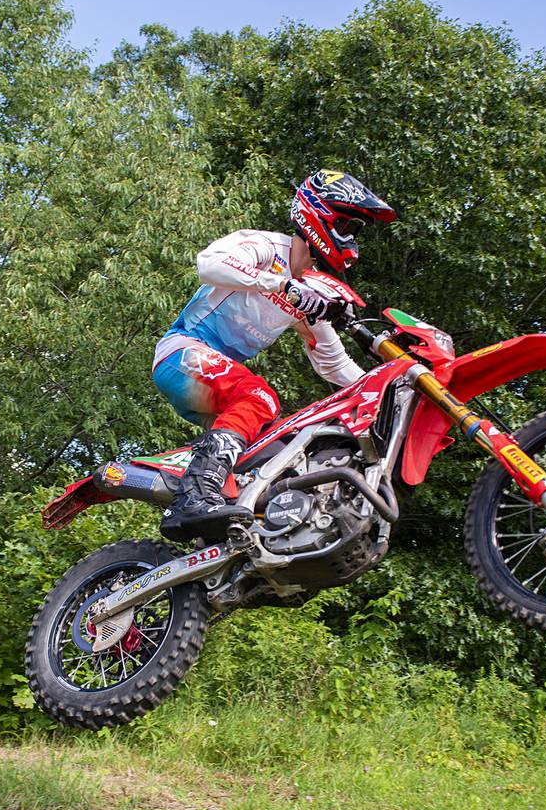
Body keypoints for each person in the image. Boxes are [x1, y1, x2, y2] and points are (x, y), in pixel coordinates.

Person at [154, 169, 397, 541]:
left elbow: (332, 362)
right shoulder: (265, 248)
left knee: (279, 445)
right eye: (347, 225)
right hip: (182, 351)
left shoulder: (310, 291)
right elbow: (209, 263)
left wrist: (384, 391)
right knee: (260, 396)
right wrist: (281, 284)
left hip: (215, 385)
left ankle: (229, 525)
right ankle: (194, 498)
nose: (350, 239)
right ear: (321, 215)